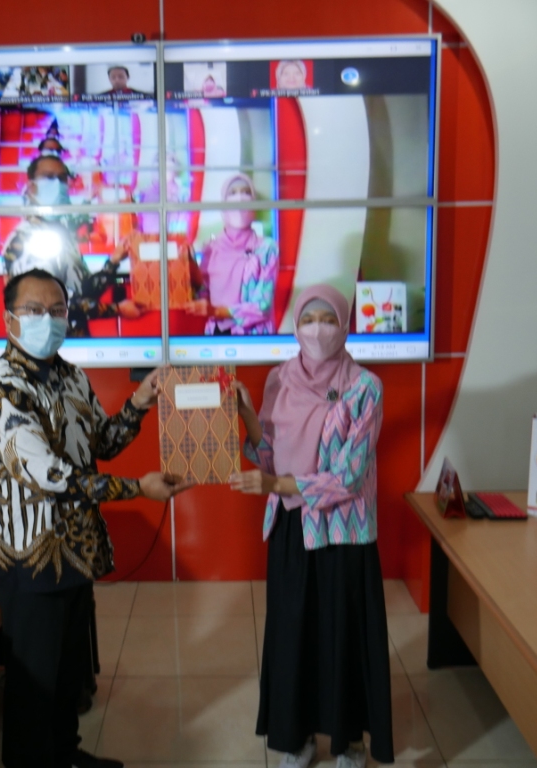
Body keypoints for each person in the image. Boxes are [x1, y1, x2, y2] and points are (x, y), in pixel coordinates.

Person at [0, 268, 191, 768]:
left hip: (77, 549)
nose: (47, 319)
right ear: (9, 320)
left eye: (57, 310)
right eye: (34, 310)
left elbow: (102, 445)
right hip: (31, 558)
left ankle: (65, 754)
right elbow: (51, 475)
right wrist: (138, 489)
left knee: (68, 672)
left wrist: (140, 402)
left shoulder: (70, 376)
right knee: (34, 684)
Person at [229, 284, 393, 768]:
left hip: (343, 534)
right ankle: (297, 738)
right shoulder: (279, 380)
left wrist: (277, 484)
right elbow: (267, 455)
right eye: (307, 319)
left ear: (344, 325)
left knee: (343, 638)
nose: (317, 330)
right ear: (295, 326)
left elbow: (348, 476)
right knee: (292, 637)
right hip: (291, 528)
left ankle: (350, 742)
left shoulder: (365, 387)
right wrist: (247, 417)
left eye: (328, 319)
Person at [2, 155, 145, 335]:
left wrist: (114, 260)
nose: (57, 184)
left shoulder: (62, 235)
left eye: (62, 178)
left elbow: (84, 292)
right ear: (31, 187)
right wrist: (117, 309)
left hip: (76, 343)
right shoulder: (23, 238)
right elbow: (46, 305)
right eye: (48, 177)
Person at [185, 173, 279, 335]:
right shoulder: (210, 248)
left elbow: (262, 306)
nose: (240, 198)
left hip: (254, 337)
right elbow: (203, 294)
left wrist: (217, 311)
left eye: (246, 192)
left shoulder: (267, 248)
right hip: (216, 334)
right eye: (233, 192)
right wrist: (190, 269)